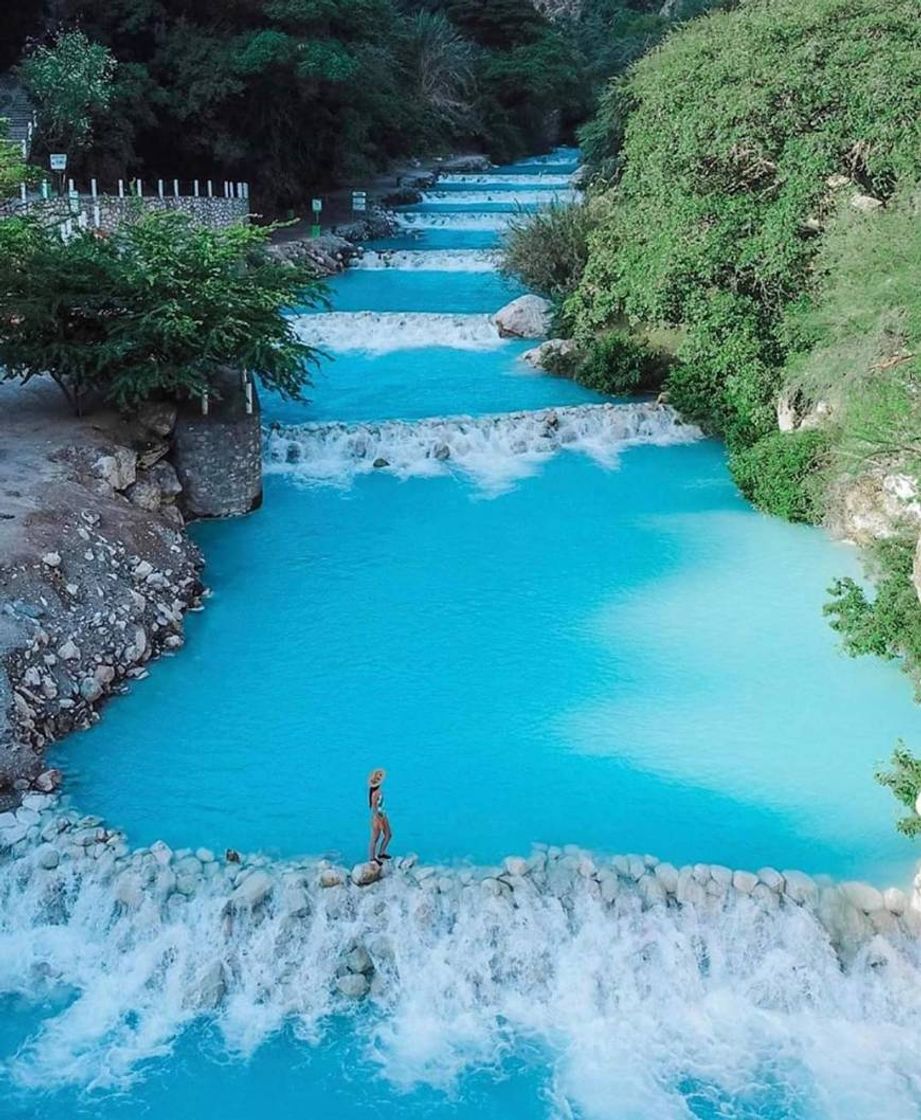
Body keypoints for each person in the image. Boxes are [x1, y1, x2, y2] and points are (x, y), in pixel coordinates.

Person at [368, 768, 392, 864]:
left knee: (388, 835)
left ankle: (381, 853)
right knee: (375, 838)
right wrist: (379, 821)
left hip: (383, 815)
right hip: (378, 817)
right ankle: (372, 858)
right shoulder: (375, 794)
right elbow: (374, 809)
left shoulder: (379, 791)